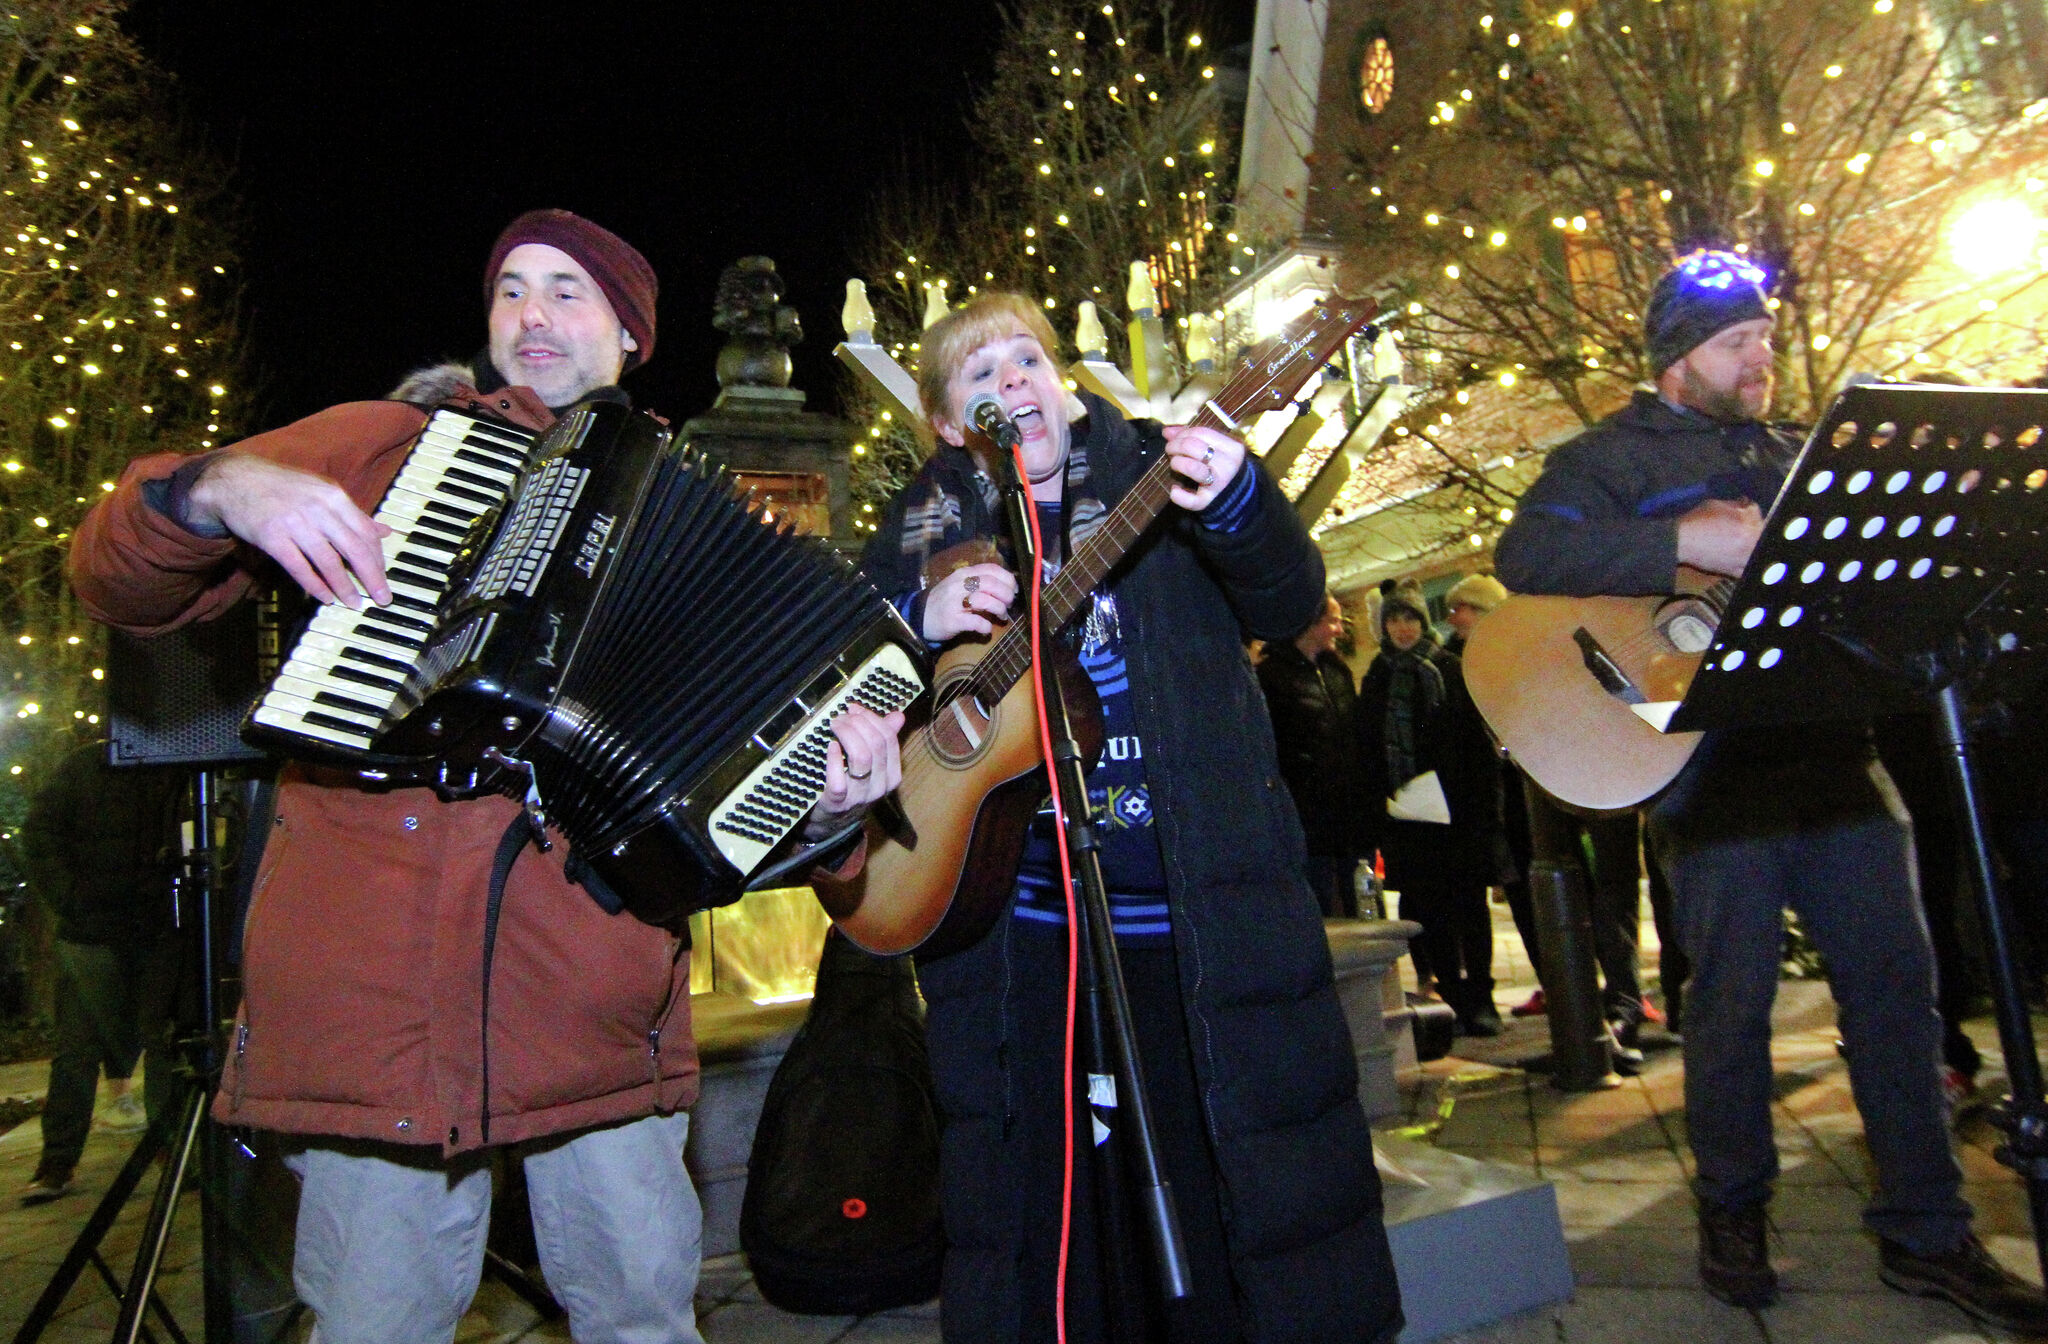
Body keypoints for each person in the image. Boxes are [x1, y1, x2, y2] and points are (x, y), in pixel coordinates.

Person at [68, 209, 904, 1344]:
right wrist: (214, 489)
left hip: (592, 996)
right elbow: (120, 578)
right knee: (378, 1323)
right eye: (511, 288)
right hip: (380, 992)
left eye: (568, 290)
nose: (531, 313)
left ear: (628, 334)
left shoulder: (689, 513)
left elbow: (733, 819)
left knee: (643, 1320)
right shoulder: (394, 444)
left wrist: (835, 807)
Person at [1494, 248, 2048, 1332]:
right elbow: (1525, 553)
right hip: (1707, 776)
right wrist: (1679, 539)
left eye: (1763, 339)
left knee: (1897, 1001)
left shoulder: (1800, 451)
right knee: (1730, 1009)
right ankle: (1733, 1214)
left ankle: (1925, 1233)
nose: (1761, 358)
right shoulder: (1607, 457)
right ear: (1674, 359)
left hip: (1838, 762)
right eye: (1736, 343)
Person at [859, 294, 1401, 1344]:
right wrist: (912, 620)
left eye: (1027, 359)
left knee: (1221, 1196)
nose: (1012, 381)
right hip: (1022, 943)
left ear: (1062, 383)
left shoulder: (1163, 466)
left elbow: (1289, 602)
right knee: (1062, 1222)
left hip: (1188, 916)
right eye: (979, 374)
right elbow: (842, 673)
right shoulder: (927, 525)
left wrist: (1242, 499)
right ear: (942, 423)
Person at [18, 738, 184, 1203]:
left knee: (158, 1044)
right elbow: (41, 833)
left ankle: (164, 1151)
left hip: (147, 927)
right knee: (79, 1050)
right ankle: (59, 1161)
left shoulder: (166, 767)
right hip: (101, 928)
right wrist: (71, 899)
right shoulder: (89, 767)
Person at [1355, 584, 1510, 1036]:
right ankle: (1453, 991)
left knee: (1469, 906)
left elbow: (1474, 750)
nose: (1402, 629)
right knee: (1430, 910)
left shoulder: (1449, 670)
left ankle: (1481, 994)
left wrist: (1480, 810)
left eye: (1410, 620)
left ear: (1424, 624)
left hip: (1456, 813)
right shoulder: (1377, 677)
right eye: (1394, 620)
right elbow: (1369, 748)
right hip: (1408, 817)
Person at [1257, 593, 1363, 917]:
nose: (1338, 630)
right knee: (1317, 901)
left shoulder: (1337, 671)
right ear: (1309, 623)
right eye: (1332, 621)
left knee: (1360, 898)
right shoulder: (1272, 676)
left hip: (1349, 813)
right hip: (1306, 815)